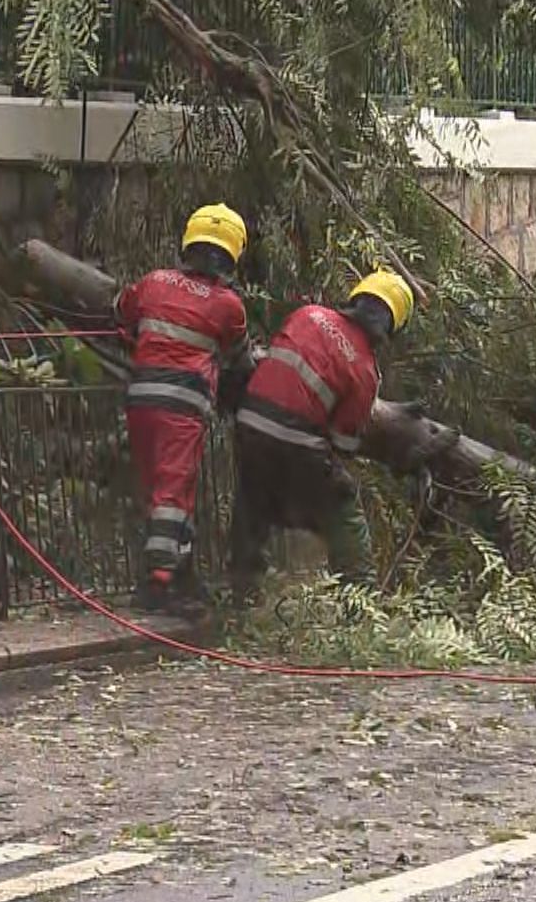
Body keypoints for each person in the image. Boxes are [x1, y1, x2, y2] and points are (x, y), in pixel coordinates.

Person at [227, 270, 413, 605]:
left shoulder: (308, 314)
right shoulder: (366, 370)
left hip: (250, 422)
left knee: (253, 496)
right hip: (298, 439)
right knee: (343, 502)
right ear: (390, 327)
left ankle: (242, 589)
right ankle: (361, 596)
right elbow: (343, 442)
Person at [115, 204, 254, 612]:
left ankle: (183, 573)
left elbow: (122, 314)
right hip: (184, 407)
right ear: (231, 255)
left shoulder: (153, 281)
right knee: (173, 494)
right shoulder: (229, 305)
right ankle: (159, 584)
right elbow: (241, 361)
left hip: (141, 399)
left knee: (160, 491)